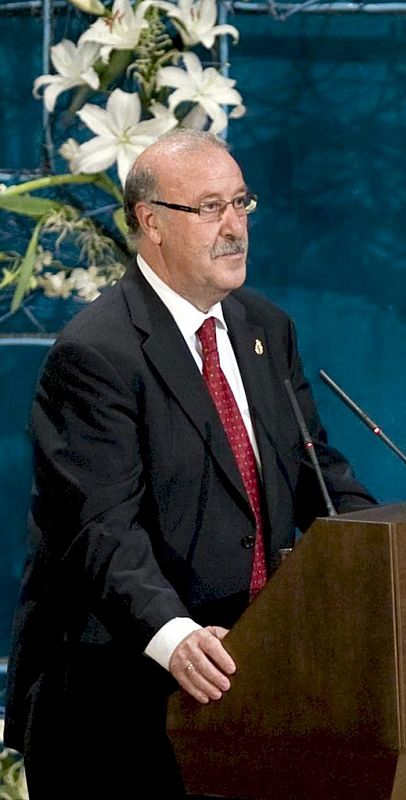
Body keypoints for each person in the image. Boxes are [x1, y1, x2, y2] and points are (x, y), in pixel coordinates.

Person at [4, 129, 375, 799]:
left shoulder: (265, 328)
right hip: (116, 698)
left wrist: (389, 555)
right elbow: (99, 531)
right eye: (209, 208)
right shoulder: (96, 354)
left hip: (252, 684)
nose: (234, 226)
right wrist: (172, 636)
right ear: (151, 223)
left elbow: (315, 473)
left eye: (240, 203)